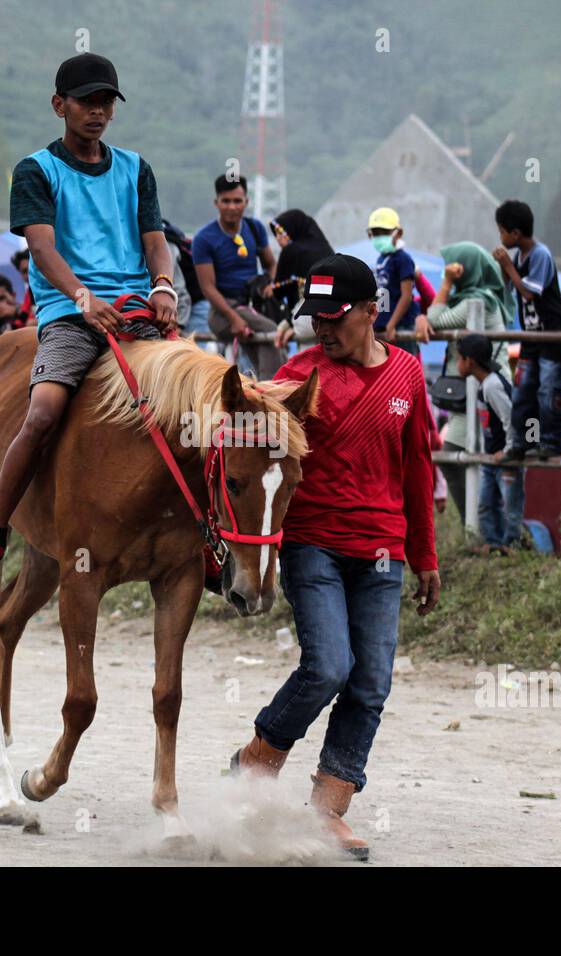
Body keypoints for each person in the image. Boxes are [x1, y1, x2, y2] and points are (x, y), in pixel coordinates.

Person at [229, 253, 440, 862]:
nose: (321, 328)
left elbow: (418, 468)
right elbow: (245, 433)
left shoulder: (407, 375)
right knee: (328, 666)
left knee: (371, 681)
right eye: (313, 318)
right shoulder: (300, 375)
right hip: (313, 543)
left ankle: (328, 812)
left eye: (333, 317)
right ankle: (255, 762)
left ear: (372, 312)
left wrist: (425, 554)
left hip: (382, 552)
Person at [0, 52, 177, 587]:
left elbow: (154, 241)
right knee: (45, 410)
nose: (96, 112)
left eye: (105, 103)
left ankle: (207, 539)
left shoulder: (135, 169)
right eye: (86, 102)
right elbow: (42, 248)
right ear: (59, 105)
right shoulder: (36, 170)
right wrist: (82, 298)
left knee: (200, 406)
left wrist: (163, 285)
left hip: (137, 310)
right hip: (70, 312)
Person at [424, 242, 514, 522]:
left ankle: (478, 525)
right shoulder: (480, 296)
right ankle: (479, 525)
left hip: (482, 393)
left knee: (454, 457)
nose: (448, 271)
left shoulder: (479, 300)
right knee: (465, 459)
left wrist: (446, 283)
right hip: (473, 393)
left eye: (453, 267)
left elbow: (435, 319)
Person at [492, 199, 561, 462]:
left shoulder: (541, 255)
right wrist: (506, 268)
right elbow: (508, 286)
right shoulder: (519, 256)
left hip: (552, 335)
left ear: (515, 233)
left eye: (502, 231)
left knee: (548, 390)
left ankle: (550, 443)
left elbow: (528, 293)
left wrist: (508, 267)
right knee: (524, 390)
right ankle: (523, 442)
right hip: (532, 337)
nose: (501, 237)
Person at [191, 174, 286, 378]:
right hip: (222, 313)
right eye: (226, 201)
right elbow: (208, 288)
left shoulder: (255, 228)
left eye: (237, 201)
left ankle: (266, 390)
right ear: (216, 203)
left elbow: (271, 264)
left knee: (265, 344)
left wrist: (270, 285)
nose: (232, 207)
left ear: (246, 202)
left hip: (253, 309)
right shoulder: (204, 238)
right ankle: (275, 390)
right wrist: (233, 318)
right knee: (269, 331)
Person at [458, 333, 523, 551]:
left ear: (470, 361)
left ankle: (513, 546)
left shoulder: (492, 386)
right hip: (491, 456)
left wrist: (509, 450)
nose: (457, 364)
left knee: (510, 507)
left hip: (504, 457)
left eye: (459, 358)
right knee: (486, 504)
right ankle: (493, 544)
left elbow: (510, 418)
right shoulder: (483, 384)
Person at [366, 207, 422, 358]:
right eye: (376, 233)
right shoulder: (381, 259)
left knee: (403, 368)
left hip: (400, 326)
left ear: (399, 233)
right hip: (382, 328)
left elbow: (406, 295)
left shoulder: (403, 259)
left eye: (384, 232)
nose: (379, 237)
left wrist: (392, 324)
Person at [268, 209, 333, 313]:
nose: (278, 238)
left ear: (292, 230)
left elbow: (277, 291)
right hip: (333, 311)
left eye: (281, 233)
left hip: (305, 314)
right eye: (276, 235)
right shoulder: (325, 248)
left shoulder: (291, 250)